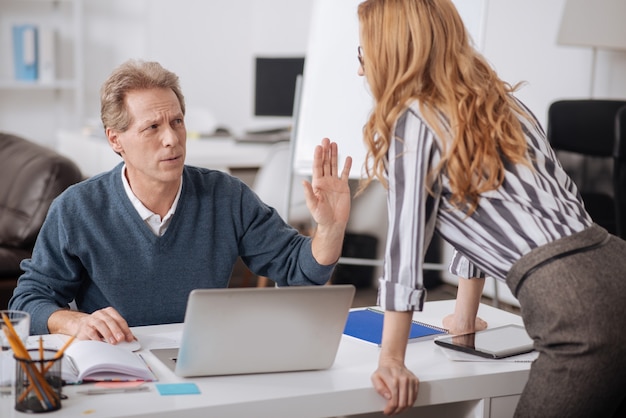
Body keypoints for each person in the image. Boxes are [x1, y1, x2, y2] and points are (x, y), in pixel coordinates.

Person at [355, 1, 626, 417]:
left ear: (392, 52)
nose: (360, 69)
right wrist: (464, 317)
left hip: (576, 305)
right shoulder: (502, 104)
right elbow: (477, 201)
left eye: (363, 54)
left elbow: (404, 253)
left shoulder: (414, 120)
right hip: (616, 261)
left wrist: (391, 359)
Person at [10, 59, 352, 344]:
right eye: (152, 128)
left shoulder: (226, 196)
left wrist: (330, 229)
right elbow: (29, 300)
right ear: (116, 139)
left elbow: (299, 270)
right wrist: (74, 322)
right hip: (117, 362)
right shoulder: (76, 208)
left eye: (177, 122)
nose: (172, 139)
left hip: (202, 356)